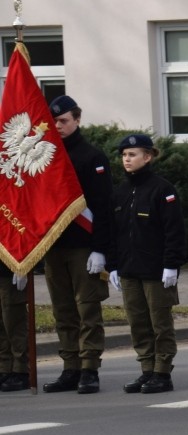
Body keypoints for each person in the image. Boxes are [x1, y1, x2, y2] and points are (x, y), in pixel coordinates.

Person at [41, 95, 113, 394]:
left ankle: (89, 368)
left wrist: (100, 248)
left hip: (84, 245)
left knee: (87, 310)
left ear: (77, 119)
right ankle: (70, 367)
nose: (58, 126)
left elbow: (103, 207)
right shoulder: (45, 155)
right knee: (63, 310)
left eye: (63, 121)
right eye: (54, 121)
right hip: (55, 244)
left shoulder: (92, 157)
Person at [109, 134, 187, 394]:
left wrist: (171, 265)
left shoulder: (162, 189)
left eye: (132, 154)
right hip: (129, 269)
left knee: (160, 323)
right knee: (138, 322)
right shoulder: (120, 191)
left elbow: (174, 231)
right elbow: (115, 232)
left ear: (148, 156)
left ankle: (162, 372)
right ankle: (146, 369)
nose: (126, 159)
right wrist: (113, 265)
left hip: (156, 271)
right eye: (124, 155)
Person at [0, 273, 29, 392]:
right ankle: (4, 368)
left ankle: (21, 370)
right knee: (2, 325)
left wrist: (22, 269)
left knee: (14, 322)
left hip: (10, 271)